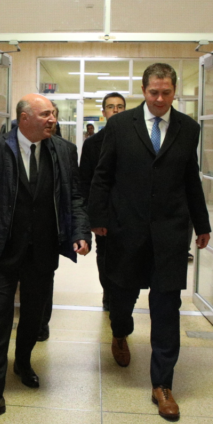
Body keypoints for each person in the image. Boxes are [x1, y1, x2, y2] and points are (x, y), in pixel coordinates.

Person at [0, 94, 91, 416]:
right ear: (24, 118)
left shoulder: (64, 151)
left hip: (42, 250)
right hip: (0, 249)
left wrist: (80, 233)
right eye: (45, 114)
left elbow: (74, 197)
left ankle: (24, 362)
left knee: (33, 316)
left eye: (54, 114)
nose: (52, 119)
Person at [89, 63, 211, 422]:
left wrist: (201, 223)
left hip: (171, 233)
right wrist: (98, 220)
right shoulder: (119, 126)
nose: (159, 99)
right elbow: (103, 175)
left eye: (166, 93)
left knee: (166, 307)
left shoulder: (188, 129)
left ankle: (162, 384)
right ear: (143, 90)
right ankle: (120, 331)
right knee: (122, 295)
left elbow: (191, 179)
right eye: (154, 92)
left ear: (175, 92)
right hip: (127, 229)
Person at [79, 92, 126, 312]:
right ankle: (108, 293)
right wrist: (92, 217)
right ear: (103, 112)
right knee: (105, 255)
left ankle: (123, 295)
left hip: (129, 212)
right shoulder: (92, 144)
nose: (115, 110)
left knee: (127, 256)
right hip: (104, 214)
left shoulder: (135, 139)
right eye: (111, 107)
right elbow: (86, 183)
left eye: (120, 107)